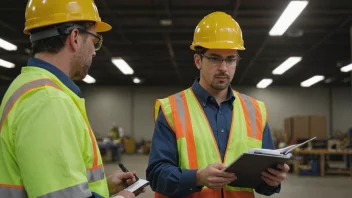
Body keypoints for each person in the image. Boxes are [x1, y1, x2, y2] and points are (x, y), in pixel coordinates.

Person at [0, 0, 144, 197]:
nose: (94, 51)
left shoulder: (25, 86)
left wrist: (105, 187)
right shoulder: (48, 101)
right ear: (75, 37)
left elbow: (55, 185)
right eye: (95, 41)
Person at [146, 11, 290, 198]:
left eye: (230, 59)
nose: (223, 67)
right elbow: (156, 176)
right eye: (215, 58)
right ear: (198, 60)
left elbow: (265, 180)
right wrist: (196, 178)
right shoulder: (171, 109)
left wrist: (273, 181)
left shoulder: (256, 111)